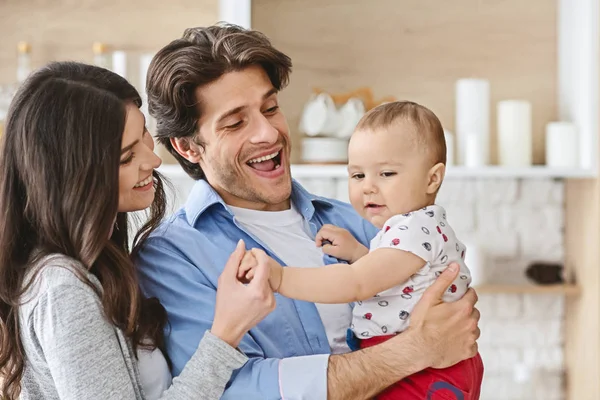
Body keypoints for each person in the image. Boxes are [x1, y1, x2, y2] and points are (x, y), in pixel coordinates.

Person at [138, 23, 481, 400]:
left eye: (270, 108)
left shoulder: (359, 220)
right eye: (236, 123)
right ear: (188, 147)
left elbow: (451, 330)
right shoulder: (171, 256)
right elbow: (236, 392)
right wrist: (413, 350)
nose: (268, 133)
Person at [0, 61, 275, 400]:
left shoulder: (97, 263)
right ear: (76, 177)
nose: (153, 161)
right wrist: (226, 332)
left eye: (143, 133)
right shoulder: (63, 290)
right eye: (127, 157)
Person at [239, 101, 484, 399]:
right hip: (430, 365)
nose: (368, 187)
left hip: (426, 374)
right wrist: (358, 252)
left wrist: (280, 278)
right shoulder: (411, 229)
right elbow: (398, 281)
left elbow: (357, 283)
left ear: (432, 179)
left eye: (387, 174)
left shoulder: (414, 229)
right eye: (357, 176)